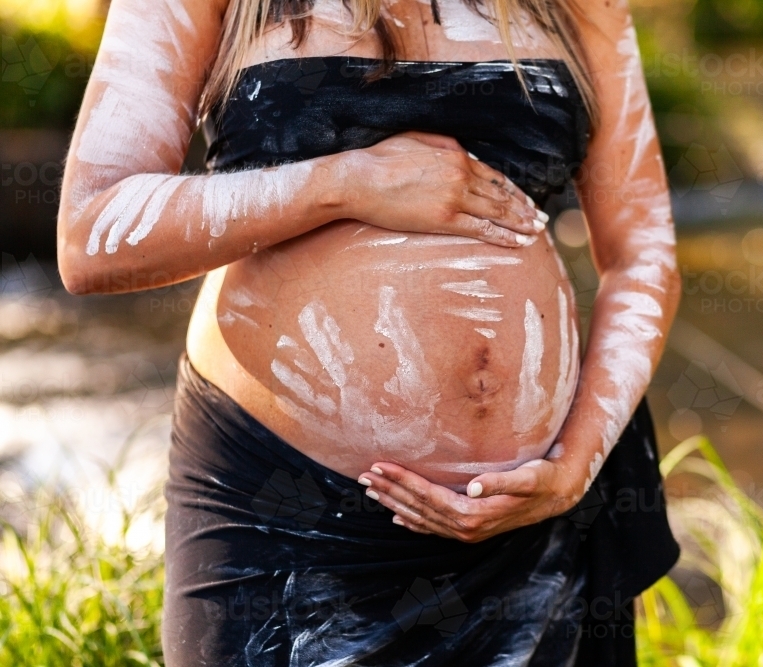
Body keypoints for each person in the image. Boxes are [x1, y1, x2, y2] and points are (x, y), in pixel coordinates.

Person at [57, 0, 681, 663]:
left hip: (530, 522)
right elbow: (91, 237)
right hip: (287, 519)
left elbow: (642, 252)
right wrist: (346, 184)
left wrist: (573, 466)